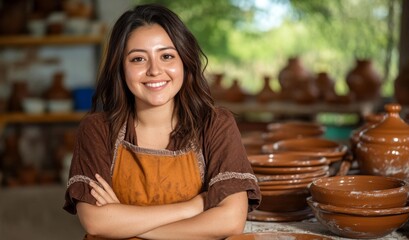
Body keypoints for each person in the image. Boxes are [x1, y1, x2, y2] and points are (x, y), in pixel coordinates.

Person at [63, 3, 261, 240]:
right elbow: (95, 222)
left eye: (167, 56)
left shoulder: (215, 124)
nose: (155, 70)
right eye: (138, 59)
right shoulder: (97, 129)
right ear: (120, 67)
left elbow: (230, 221)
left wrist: (124, 224)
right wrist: (194, 207)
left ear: (184, 62)